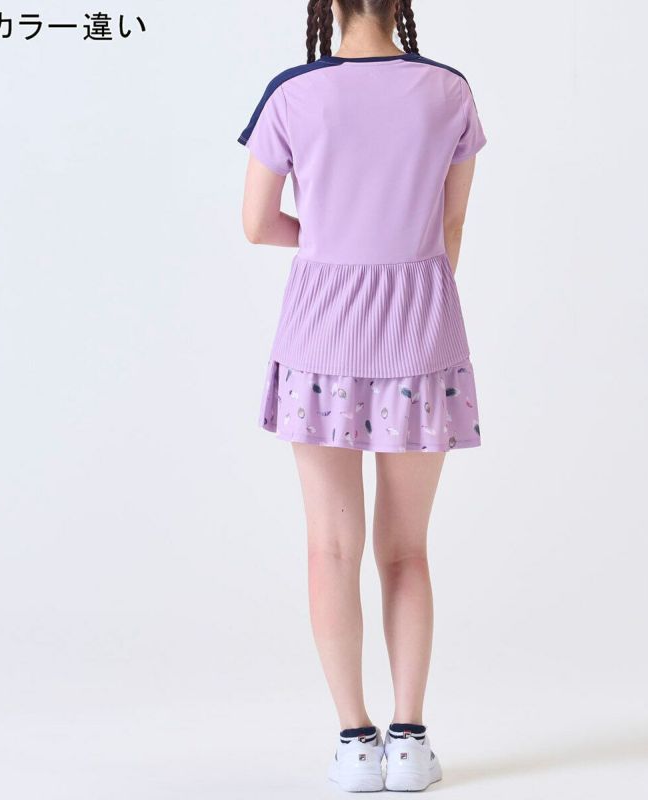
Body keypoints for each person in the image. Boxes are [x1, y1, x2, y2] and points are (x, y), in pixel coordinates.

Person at [238, 0, 486, 791]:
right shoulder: (448, 91)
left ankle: (354, 742)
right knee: (407, 549)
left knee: (330, 548)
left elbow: (255, 224)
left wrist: (327, 239)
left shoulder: (292, 93)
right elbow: (451, 227)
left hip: (319, 337)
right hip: (421, 332)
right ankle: (409, 743)